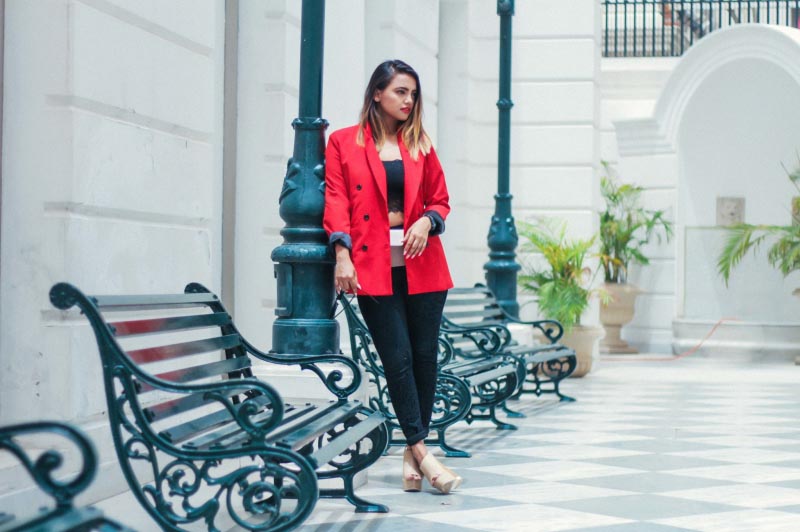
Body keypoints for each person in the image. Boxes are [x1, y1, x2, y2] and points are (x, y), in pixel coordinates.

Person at [323, 59, 460, 494]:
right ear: (377, 93)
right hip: (373, 268)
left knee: (424, 358)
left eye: (413, 94)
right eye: (401, 91)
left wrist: (426, 222)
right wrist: (342, 254)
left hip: (424, 267)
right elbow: (336, 198)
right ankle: (425, 451)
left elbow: (441, 199)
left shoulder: (419, 143)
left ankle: (411, 451)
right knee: (396, 360)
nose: (409, 100)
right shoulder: (343, 142)